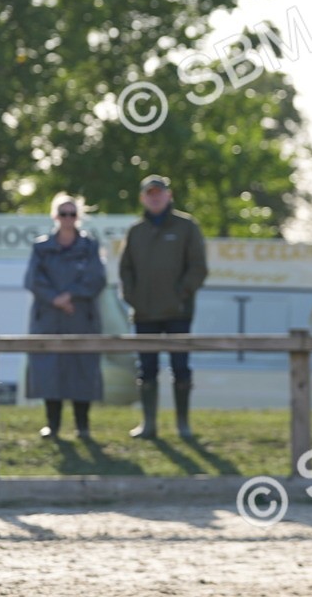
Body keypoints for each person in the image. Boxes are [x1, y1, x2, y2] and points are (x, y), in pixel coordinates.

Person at [119, 174, 208, 439]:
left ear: (169, 195)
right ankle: (148, 424)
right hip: (144, 313)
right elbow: (125, 269)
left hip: (178, 313)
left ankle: (183, 425)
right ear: (142, 198)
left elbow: (198, 267)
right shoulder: (136, 231)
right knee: (146, 369)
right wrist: (133, 297)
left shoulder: (187, 226)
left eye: (159, 193)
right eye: (150, 194)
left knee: (180, 367)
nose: (155, 198)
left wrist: (181, 294)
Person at [24, 193, 107, 439]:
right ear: (55, 216)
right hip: (49, 319)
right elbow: (33, 280)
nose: (68, 218)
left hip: (81, 318)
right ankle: (53, 424)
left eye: (72, 213)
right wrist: (55, 299)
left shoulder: (90, 246)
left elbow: (97, 278)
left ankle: (83, 426)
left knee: (83, 369)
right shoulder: (41, 248)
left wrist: (70, 296)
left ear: (78, 216)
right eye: (63, 213)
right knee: (49, 369)